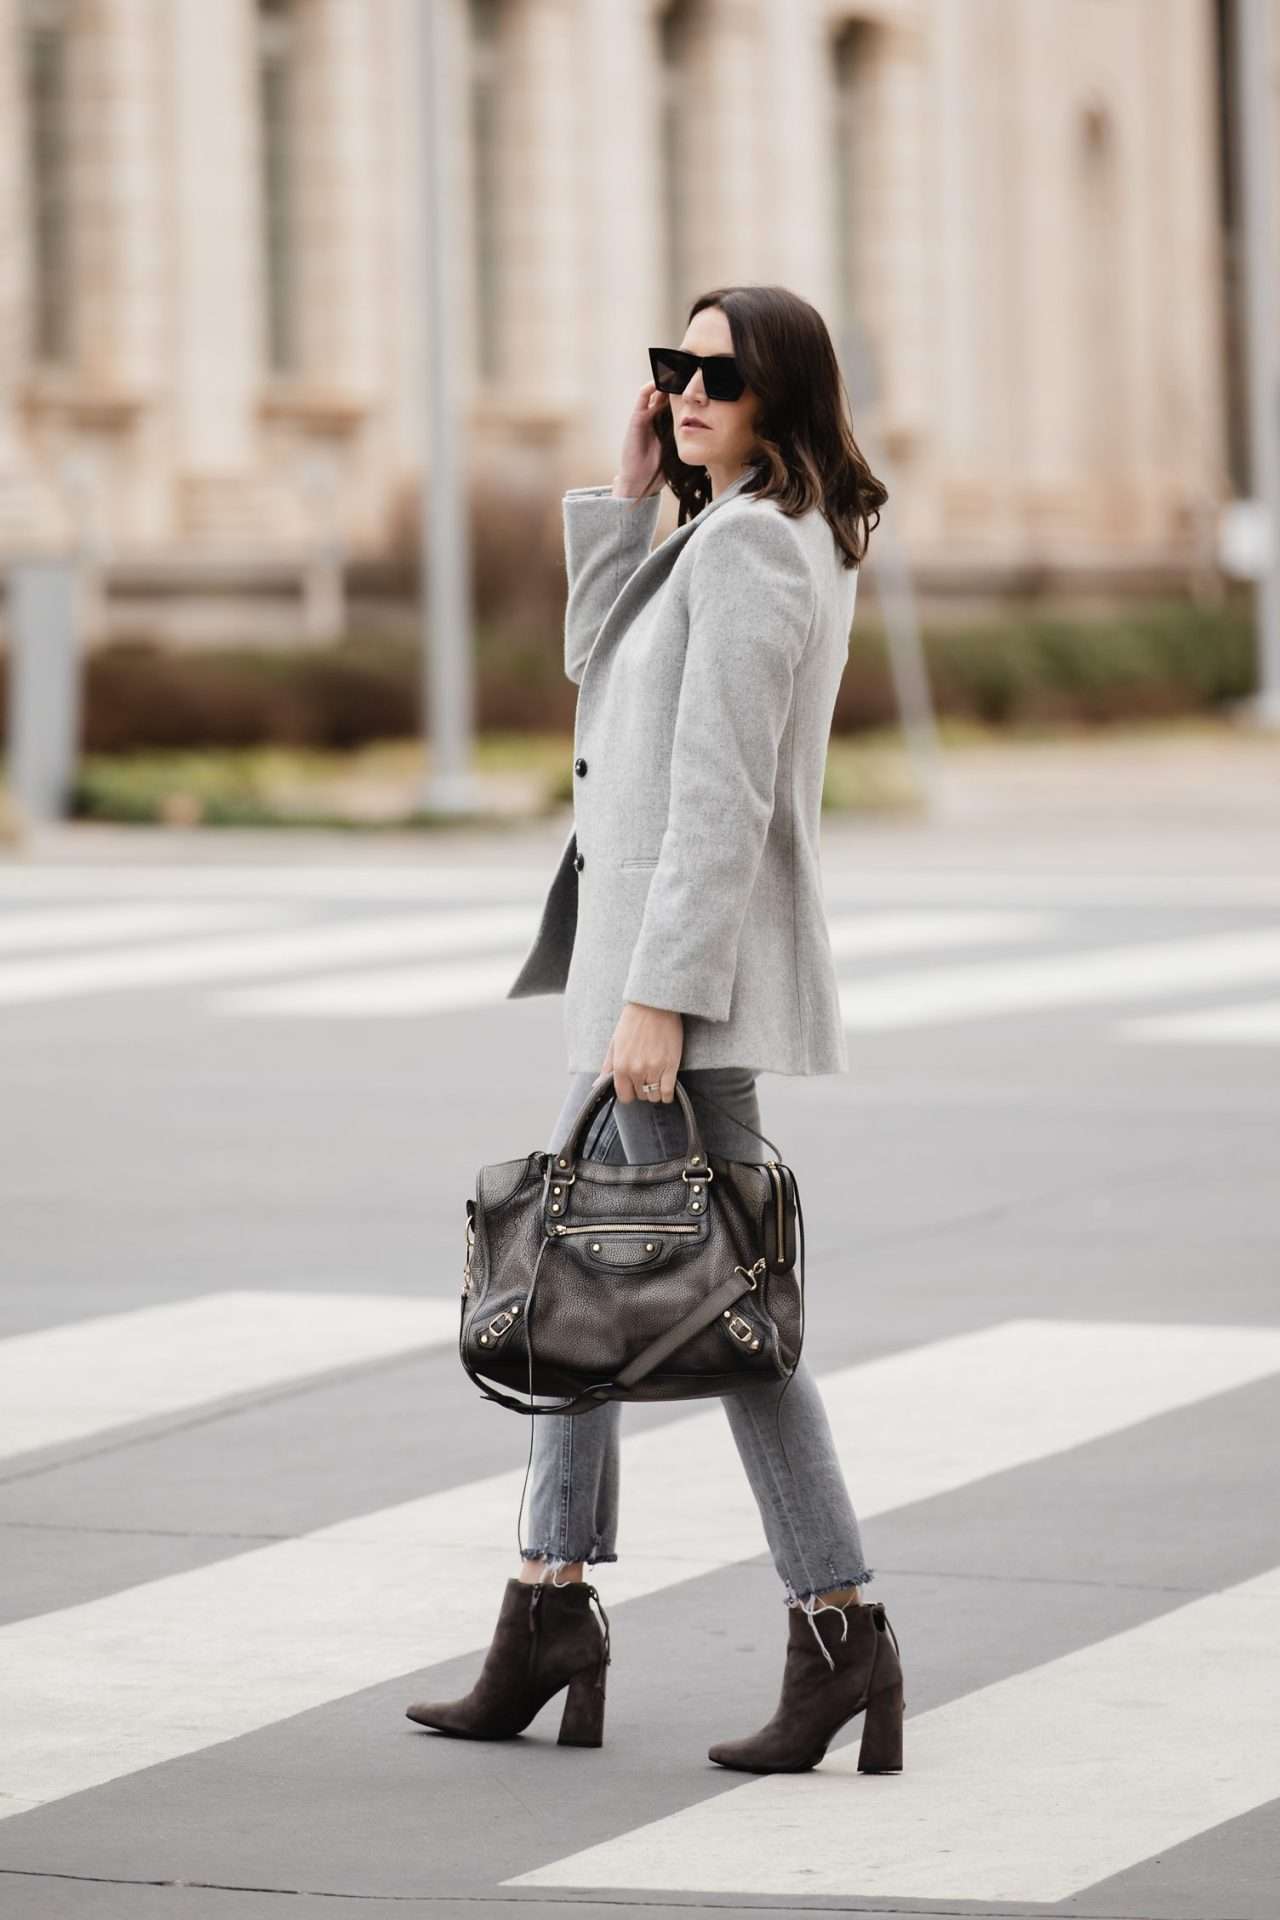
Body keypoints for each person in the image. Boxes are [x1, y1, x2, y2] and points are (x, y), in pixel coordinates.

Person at [406, 284, 904, 1774]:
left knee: (721, 1309)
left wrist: (657, 1003)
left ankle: (841, 1626)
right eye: (672, 366)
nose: (687, 389)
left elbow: (719, 798)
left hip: (667, 989)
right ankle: (550, 1605)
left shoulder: (754, 545)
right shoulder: (737, 525)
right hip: (637, 975)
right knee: (581, 1281)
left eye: (717, 373)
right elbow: (602, 680)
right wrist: (632, 501)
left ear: (781, 394)